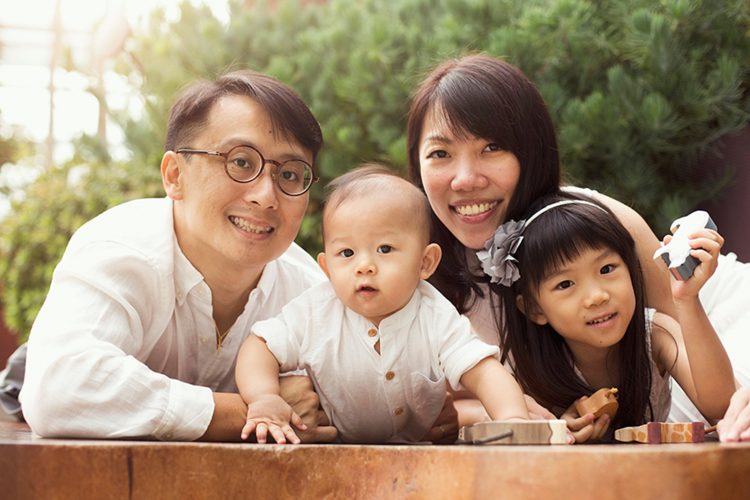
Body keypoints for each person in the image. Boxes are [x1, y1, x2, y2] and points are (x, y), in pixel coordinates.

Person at [406, 53, 750, 427]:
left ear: (530, 151)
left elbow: (692, 360)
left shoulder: (601, 224)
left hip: (716, 328)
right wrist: (528, 410)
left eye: (491, 148)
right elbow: (434, 407)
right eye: (440, 153)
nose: (465, 179)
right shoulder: (412, 264)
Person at [16, 70, 339, 442]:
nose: (266, 196)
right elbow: (57, 389)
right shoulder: (120, 248)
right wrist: (254, 409)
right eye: (241, 162)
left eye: (291, 174)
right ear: (174, 175)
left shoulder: (311, 294)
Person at [234, 165, 529, 444]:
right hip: (330, 449)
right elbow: (260, 346)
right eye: (346, 253)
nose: (364, 266)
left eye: (384, 249)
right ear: (326, 268)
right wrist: (264, 397)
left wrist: (512, 417)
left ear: (425, 262)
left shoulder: (434, 314)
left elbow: (483, 370)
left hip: (417, 452)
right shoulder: (315, 310)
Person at [482, 193, 734, 442]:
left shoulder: (655, 333)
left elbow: (721, 406)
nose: (596, 296)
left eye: (606, 269)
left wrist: (687, 300)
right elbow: (474, 414)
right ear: (534, 309)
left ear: (632, 268)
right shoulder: (527, 365)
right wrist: (552, 425)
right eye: (565, 283)